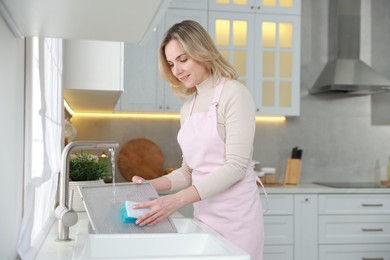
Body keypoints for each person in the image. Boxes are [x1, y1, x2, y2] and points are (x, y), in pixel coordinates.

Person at [132, 20, 266, 260]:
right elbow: (187, 172)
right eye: (172, 64)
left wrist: (175, 201)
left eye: (183, 60)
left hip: (237, 219)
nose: (177, 70)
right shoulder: (188, 108)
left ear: (201, 52)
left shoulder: (234, 94)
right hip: (205, 217)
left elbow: (235, 167)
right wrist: (150, 185)